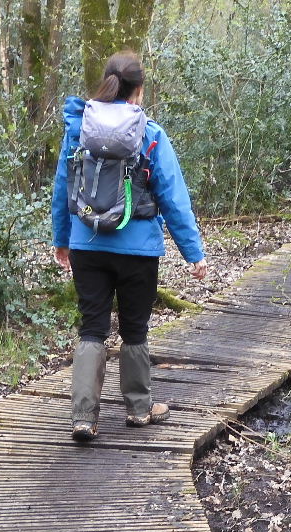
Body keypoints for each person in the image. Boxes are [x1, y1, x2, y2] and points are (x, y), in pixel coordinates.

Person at [50, 50, 208, 443]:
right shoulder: (150, 133)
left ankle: (83, 417)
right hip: (138, 250)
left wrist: (62, 239)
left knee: (92, 327)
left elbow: (62, 189)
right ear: (138, 91)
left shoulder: (78, 129)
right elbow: (173, 197)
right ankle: (138, 409)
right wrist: (193, 253)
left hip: (87, 244)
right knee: (135, 328)